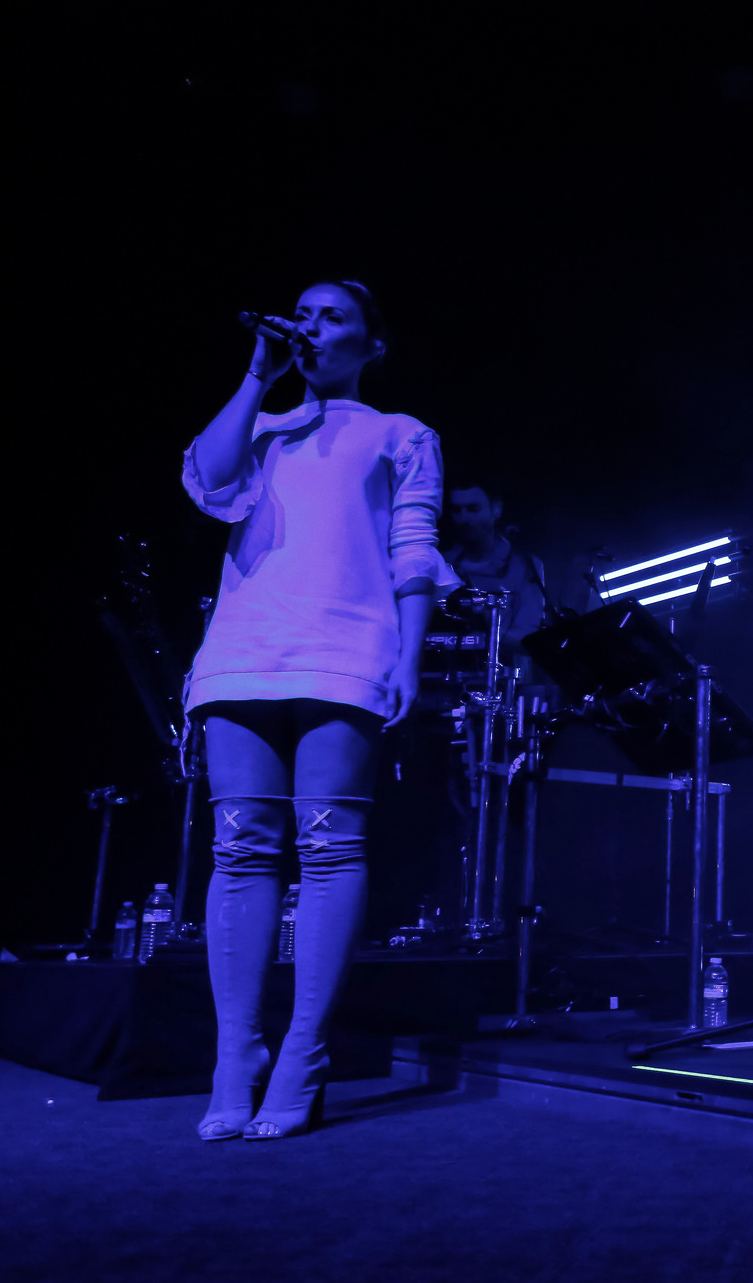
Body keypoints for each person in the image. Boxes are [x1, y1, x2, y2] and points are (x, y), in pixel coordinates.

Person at [181, 281, 453, 1140]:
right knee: (240, 850)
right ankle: (236, 1056)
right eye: (303, 312)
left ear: (373, 344)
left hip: (347, 648)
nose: (310, 325)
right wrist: (257, 377)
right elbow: (210, 484)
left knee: (329, 848)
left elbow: (413, 547)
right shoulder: (262, 426)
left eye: (333, 315)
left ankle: (304, 1053)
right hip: (243, 650)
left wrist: (407, 658)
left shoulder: (400, 433)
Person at [444, 480, 550, 660]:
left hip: (503, 674)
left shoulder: (526, 565)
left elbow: (529, 637)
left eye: (473, 509)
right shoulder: (440, 564)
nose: (463, 519)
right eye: (456, 510)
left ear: (496, 509)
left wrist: (482, 631)